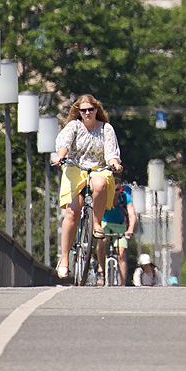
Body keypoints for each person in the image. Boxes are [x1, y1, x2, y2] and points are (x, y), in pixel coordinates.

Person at [52, 94, 122, 279]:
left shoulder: (106, 128)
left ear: (96, 110)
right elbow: (64, 144)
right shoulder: (74, 126)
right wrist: (60, 157)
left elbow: (111, 151)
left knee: (99, 183)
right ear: (79, 112)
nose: (87, 113)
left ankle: (96, 223)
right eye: (83, 110)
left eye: (91, 109)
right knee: (73, 212)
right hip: (76, 168)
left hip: (99, 168)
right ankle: (65, 259)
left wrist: (115, 163)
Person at [96, 178, 138, 285]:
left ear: (121, 189)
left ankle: (122, 282)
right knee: (101, 242)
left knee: (121, 252)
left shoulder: (125, 197)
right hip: (105, 223)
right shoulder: (104, 196)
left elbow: (132, 214)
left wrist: (130, 230)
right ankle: (101, 268)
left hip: (120, 225)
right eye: (113, 189)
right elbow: (95, 210)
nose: (115, 192)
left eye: (117, 189)